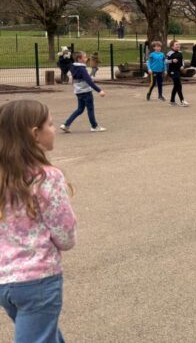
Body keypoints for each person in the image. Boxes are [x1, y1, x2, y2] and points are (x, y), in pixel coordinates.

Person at [0, 99, 78, 343]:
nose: (54, 130)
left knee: (46, 334)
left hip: (5, 281)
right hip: (39, 281)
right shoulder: (48, 177)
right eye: (51, 125)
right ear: (35, 134)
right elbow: (65, 236)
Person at [60, 51, 107, 133]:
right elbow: (89, 81)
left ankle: (66, 124)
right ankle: (94, 126)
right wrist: (99, 90)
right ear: (79, 59)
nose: (86, 58)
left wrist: (63, 56)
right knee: (90, 109)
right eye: (84, 57)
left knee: (80, 109)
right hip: (86, 92)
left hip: (78, 92)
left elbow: (64, 63)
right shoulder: (82, 69)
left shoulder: (72, 66)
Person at [167, 40, 189, 107]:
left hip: (178, 71)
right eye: (176, 44)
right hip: (172, 71)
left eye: (179, 44)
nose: (178, 45)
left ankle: (172, 101)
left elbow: (182, 61)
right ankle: (182, 101)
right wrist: (171, 60)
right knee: (179, 85)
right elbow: (164, 61)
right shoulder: (169, 53)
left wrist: (182, 66)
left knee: (176, 86)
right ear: (172, 46)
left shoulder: (180, 53)